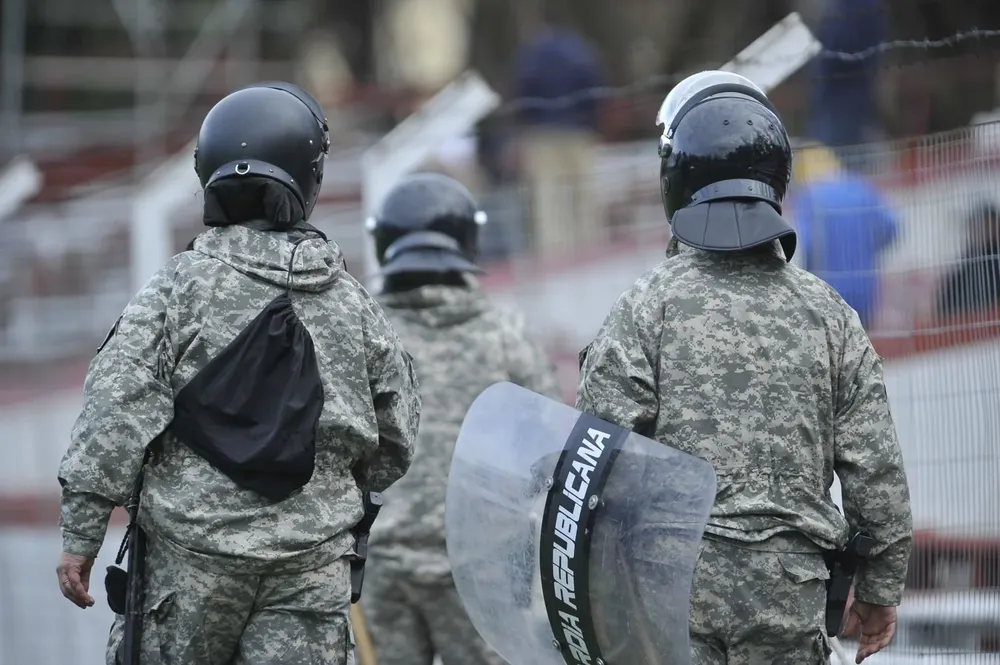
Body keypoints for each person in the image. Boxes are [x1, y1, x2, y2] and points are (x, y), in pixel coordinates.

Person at [55, 81, 421, 665]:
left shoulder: (177, 289)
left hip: (190, 566)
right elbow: (396, 439)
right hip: (310, 571)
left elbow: (113, 414)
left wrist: (81, 536)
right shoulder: (355, 306)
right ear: (310, 175)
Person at [576, 71, 913, 665]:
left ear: (675, 177)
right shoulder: (829, 314)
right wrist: (882, 590)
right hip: (791, 595)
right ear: (777, 176)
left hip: (673, 594)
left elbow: (595, 458)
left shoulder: (644, 306)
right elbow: (876, 469)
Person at [361, 172, 562, 665]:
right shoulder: (506, 333)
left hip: (380, 568)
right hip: (483, 571)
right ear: (469, 239)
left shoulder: (364, 334)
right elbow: (551, 452)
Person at [512, 3, 606, 259]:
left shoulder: (531, 53)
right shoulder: (580, 49)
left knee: (549, 199)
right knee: (583, 194)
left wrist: (528, 123)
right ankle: (590, 248)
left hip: (542, 133)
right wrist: (590, 121)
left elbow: (522, 90)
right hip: (579, 131)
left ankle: (556, 254)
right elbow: (595, 85)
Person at [789, 141, 900, 329]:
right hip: (867, 285)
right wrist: (870, 252)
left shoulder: (810, 198)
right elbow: (891, 226)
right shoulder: (861, 187)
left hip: (829, 290)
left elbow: (807, 245)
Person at [935, 200, 1000, 318]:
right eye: (976, 226)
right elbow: (945, 303)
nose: (980, 230)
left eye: (986, 225)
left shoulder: (995, 261)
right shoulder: (967, 263)